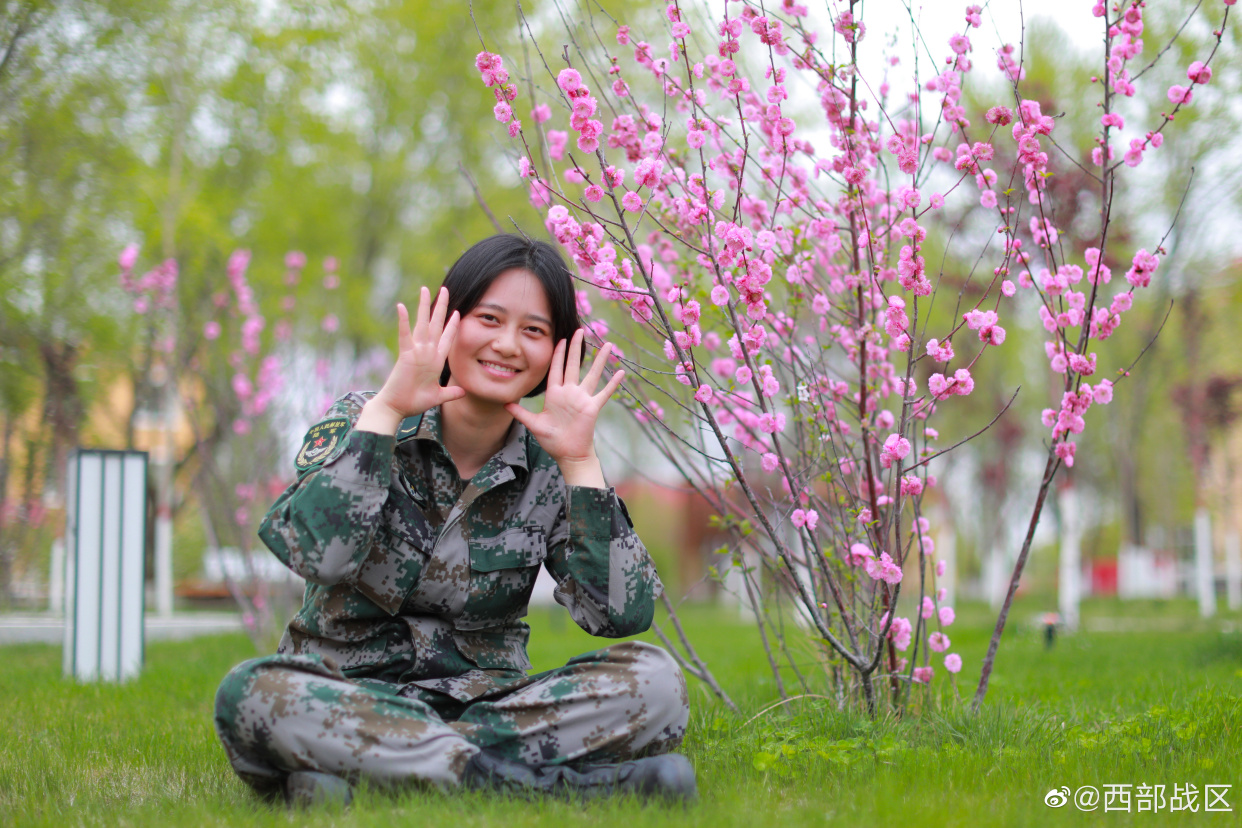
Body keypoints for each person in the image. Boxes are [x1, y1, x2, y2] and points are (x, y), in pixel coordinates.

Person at [213, 234, 693, 806]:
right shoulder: (364, 418)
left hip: (489, 704)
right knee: (252, 693)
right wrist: (387, 412)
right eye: (489, 318)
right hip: (346, 691)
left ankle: (367, 769)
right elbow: (317, 556)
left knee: (657, 685)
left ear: (557, 351)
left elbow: (620, 616)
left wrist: (581, 462)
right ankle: (542, 784)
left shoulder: (552, 464)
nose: (507, 345)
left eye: (534, 331)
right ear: (448, 320)